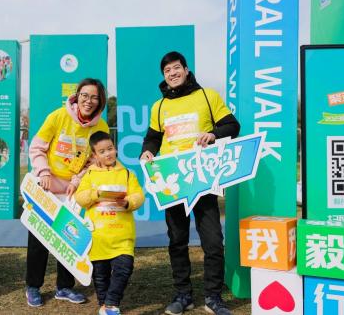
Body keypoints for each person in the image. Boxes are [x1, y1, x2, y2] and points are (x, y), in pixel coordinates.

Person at [140, 51, 240, 315]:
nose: (172, 74)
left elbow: (232, 126)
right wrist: (147, 151)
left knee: (213, 241)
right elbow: (152, 138)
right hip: (173, 182)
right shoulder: (159, 106)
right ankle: (183, 295)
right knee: (177, 240)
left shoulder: (208, 96)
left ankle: (213, 297)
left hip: (203, 179)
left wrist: (213, 134)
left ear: (186, 69)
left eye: (176, 68)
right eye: (166, 71)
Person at [26, 78, 109, 307]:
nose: (88, 101)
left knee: (70, 238)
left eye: (94, 97)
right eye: (84, 95)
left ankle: (64, 287)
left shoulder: (100, 127)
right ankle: (33, 286)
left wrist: (78, 179)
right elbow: (37, 147)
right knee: (39, 238)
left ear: (99, 101)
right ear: (77, 96)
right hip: (46, 186)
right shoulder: (57, 116)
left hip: (73, 190)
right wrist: (43, 172)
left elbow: (96, 161)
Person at [75, 131, 144, 315]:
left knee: (124, 268)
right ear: (95, 155)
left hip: (122, 236)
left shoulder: (127, 174)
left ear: (116, 148)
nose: (108, 154)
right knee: (100, 275)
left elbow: (139, 195)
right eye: (102, 151)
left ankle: (111, 303)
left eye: (111, 149)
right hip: (98, 236)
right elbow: (80, 198)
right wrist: (95, 194)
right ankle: (104, 304)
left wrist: (128, 202)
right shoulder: (89, 175)